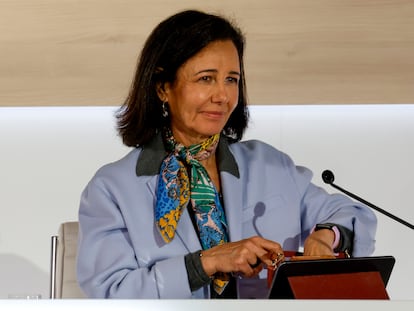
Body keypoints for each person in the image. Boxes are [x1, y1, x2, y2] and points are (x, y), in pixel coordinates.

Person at [77, 9, 377, 299]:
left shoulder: (269, 164)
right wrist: (207, 262)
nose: (222, 96)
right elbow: (111, 293)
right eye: (206, 78)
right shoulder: (112, 188)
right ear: (162, 87)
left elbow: (350, 214)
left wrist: (326, 236)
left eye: (231, 79)